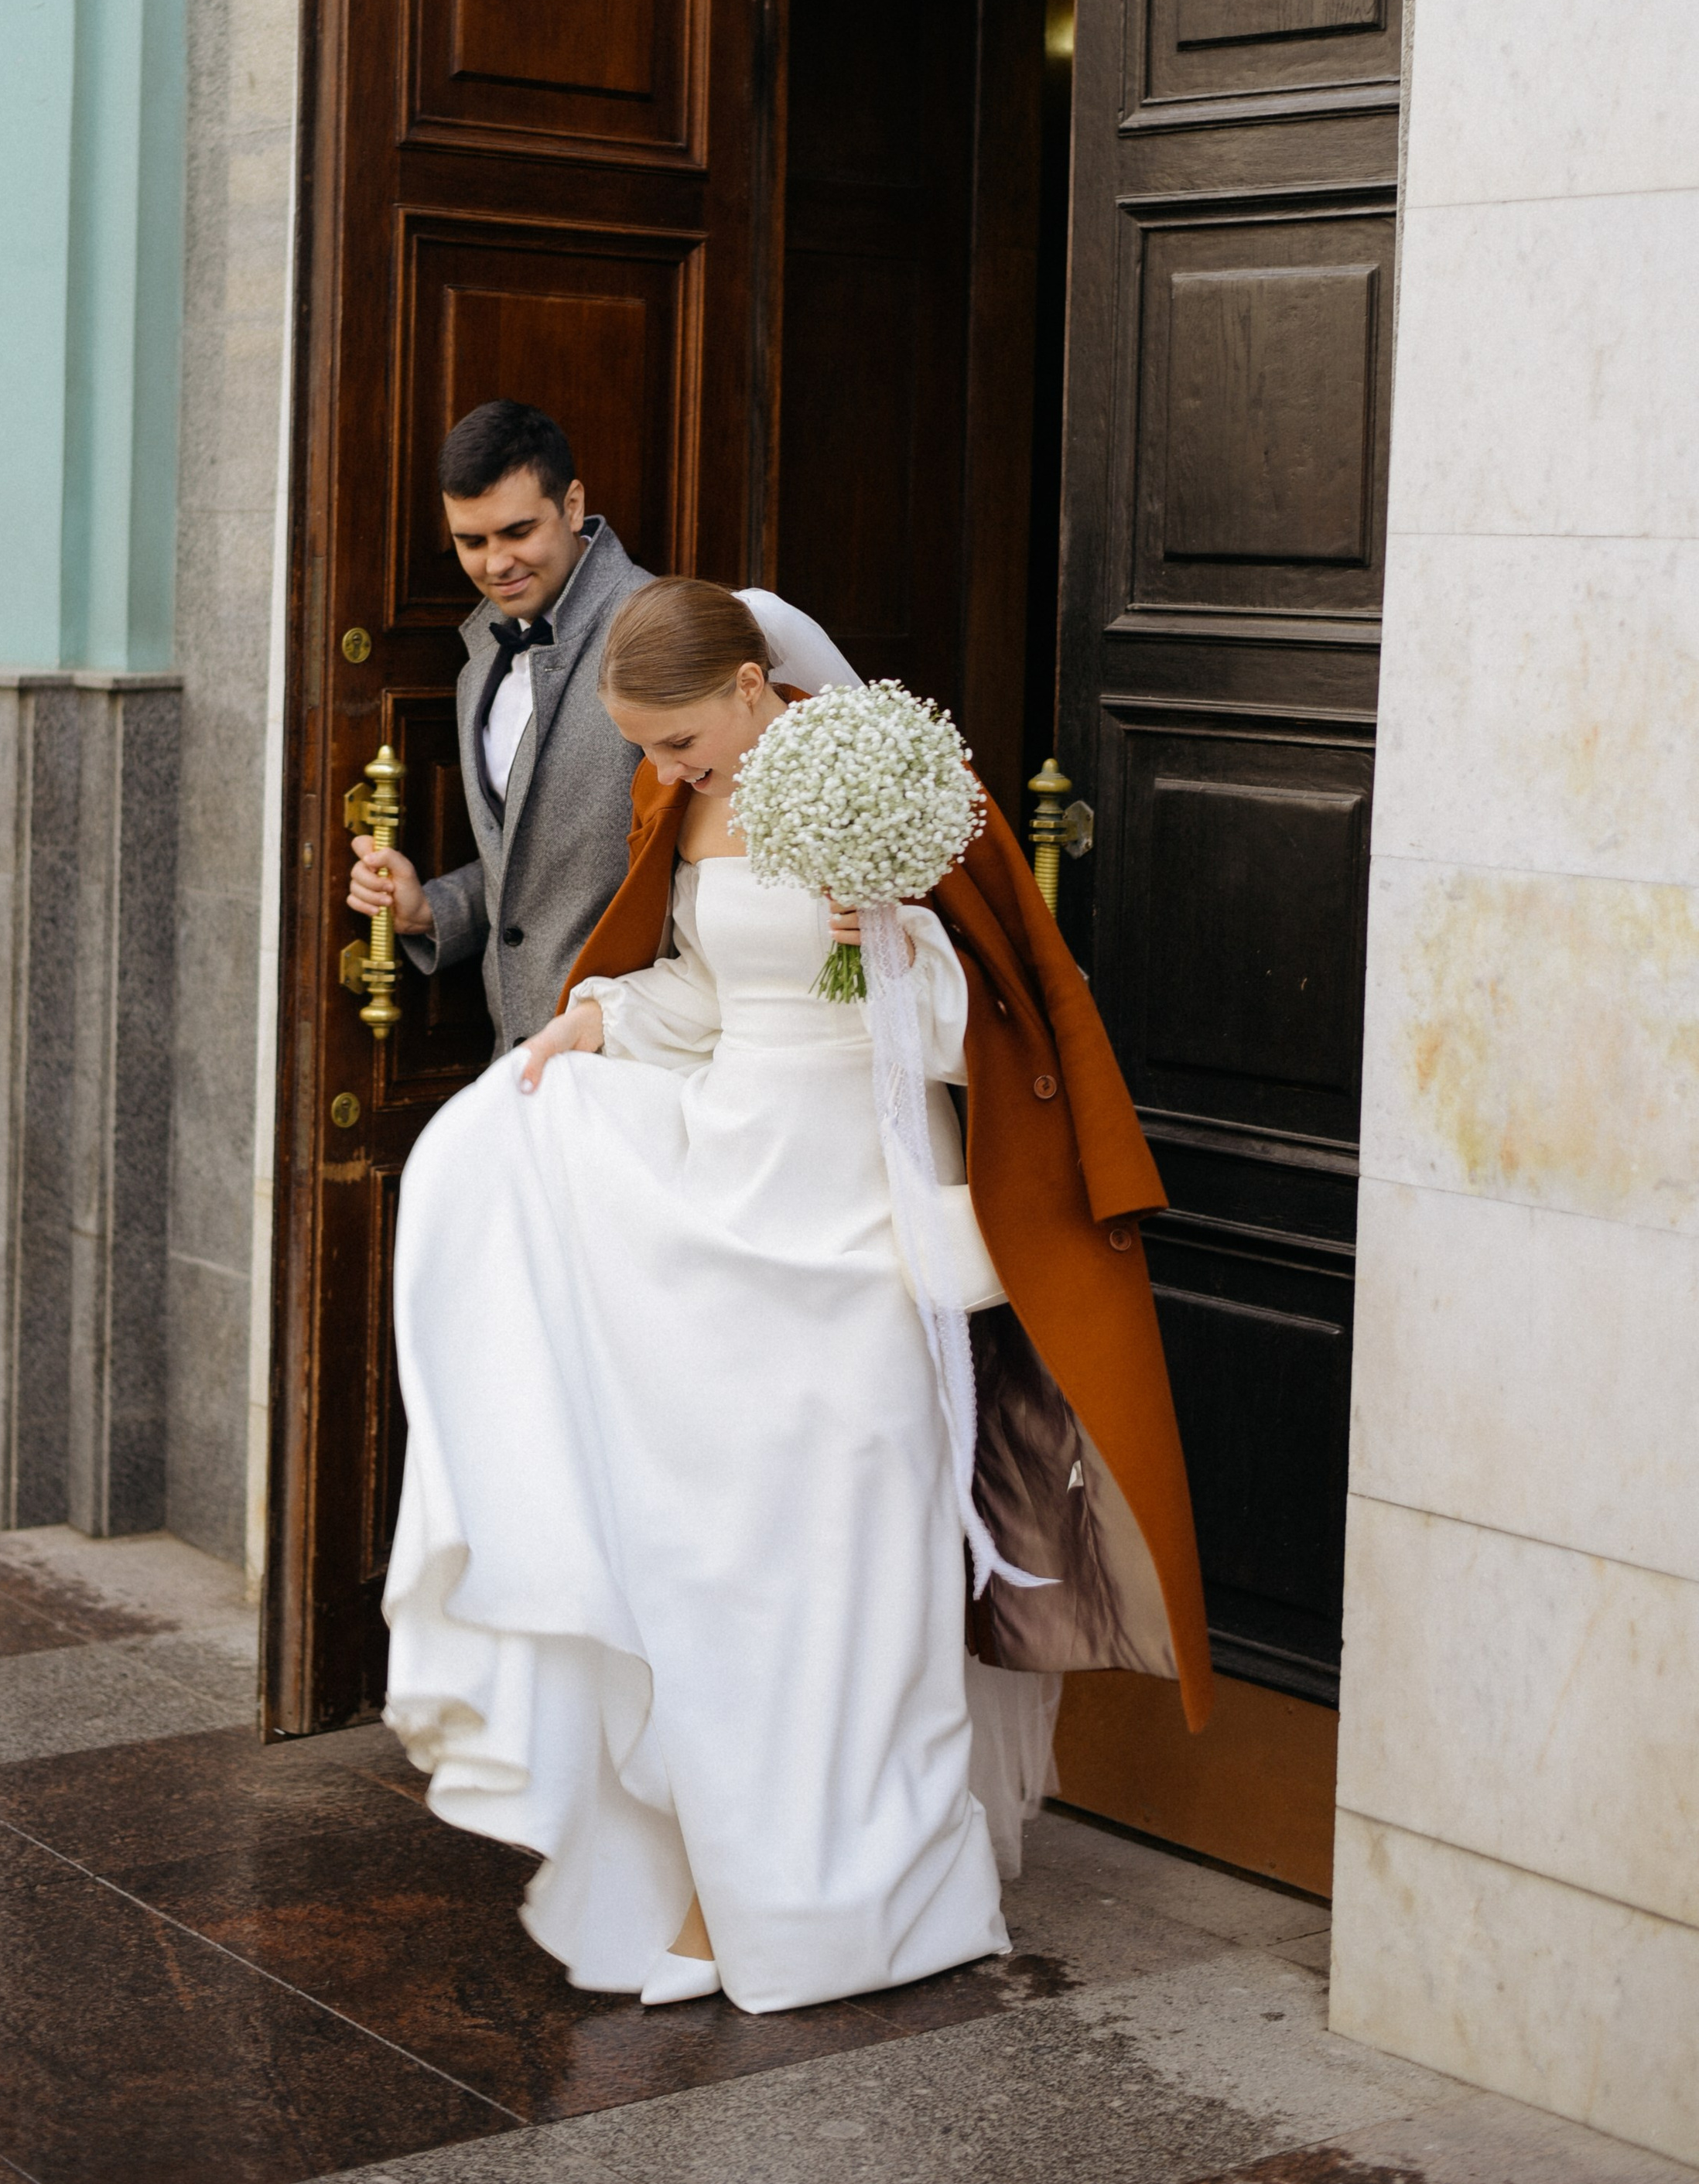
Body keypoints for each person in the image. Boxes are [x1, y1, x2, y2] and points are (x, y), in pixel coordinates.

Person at [381, 578, 1213, 2016]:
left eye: (681, 745)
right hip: (730, 1183)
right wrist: (604, 1016)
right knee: (726, 1547)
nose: (664, 777)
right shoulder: (687, 808)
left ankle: (864, 1898)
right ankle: (728, 1872)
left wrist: (889, 933)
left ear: (756, 688)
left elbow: (983, 1035)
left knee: (854, 1549)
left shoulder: (897, 776)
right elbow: (705, 993)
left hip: (861, 1205)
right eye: (645, 752)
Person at [350, 398, 857, 1051]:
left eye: (516, 531)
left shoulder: (662, 637)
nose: (495, 562)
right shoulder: (479, 663)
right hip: (532, 1050)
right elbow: (540, 867)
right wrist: (431, 911)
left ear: (571, 504)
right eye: (471, 541)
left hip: (654, 1044)